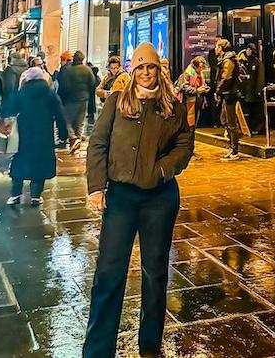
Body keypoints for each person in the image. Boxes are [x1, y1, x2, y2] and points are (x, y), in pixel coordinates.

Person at [82, 42, 193, 358]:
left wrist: (162, 169)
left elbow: (185, 145)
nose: (146, 72)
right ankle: (98, 350)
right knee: (108, 272)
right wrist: (96, 187)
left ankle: (150, 346)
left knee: (155, 272)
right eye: (141, 67)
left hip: (159, 197)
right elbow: (98, 143)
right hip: (121, 197)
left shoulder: (172, 105)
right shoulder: (117, 101)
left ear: (159, 69)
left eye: (152, 67)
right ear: (133, 70)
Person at [7, 67, 68, 207]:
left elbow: (9, 110)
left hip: (23, 134)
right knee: (39, 165)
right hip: (43, 135)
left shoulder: (21, 92)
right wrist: (63, 134)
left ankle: (15, 194)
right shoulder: (49, 93)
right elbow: (60, 114)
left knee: (19, 162)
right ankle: (35, 196)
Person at [58, 50, 96, 152]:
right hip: (84, 99)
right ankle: (77, 141)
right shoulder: (87, 69)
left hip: (71, 99)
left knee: (66, 120)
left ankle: (73, 138)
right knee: (79, 122)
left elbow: (64, 86)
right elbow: (93, 83)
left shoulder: (68, 70)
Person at [215, 40, 241, 161]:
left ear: (221, 48)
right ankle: (232, 148)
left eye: (216, 46)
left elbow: (226, 77)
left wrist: (218, 91)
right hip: (227, 94)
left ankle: (234, 150)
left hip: (230, 94)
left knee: (230, 122)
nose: (215, 49)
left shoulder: (228, 60)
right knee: (225, 119)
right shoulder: (225, 59)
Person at [178, 56, 209, 129]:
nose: (201, 69)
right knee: (188, 124)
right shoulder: (188, 74)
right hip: (188, 102)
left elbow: (202, 85)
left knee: (194, 124)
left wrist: (205, 89)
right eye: (200, 67)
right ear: (195, 66)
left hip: (197, 102)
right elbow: (184, 87)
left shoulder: (199, 75)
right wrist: (197, 90)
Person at [239, 44, 261, 134]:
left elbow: (259, 77)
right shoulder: (243, 62)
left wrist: (258, 90)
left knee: (254, 111)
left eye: (249, 49)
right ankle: (248, 128)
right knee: (247, 110)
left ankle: (255, 128)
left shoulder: (256, 62)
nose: (247, 51)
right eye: (247, 49)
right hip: (245, 90)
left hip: (253, 90)